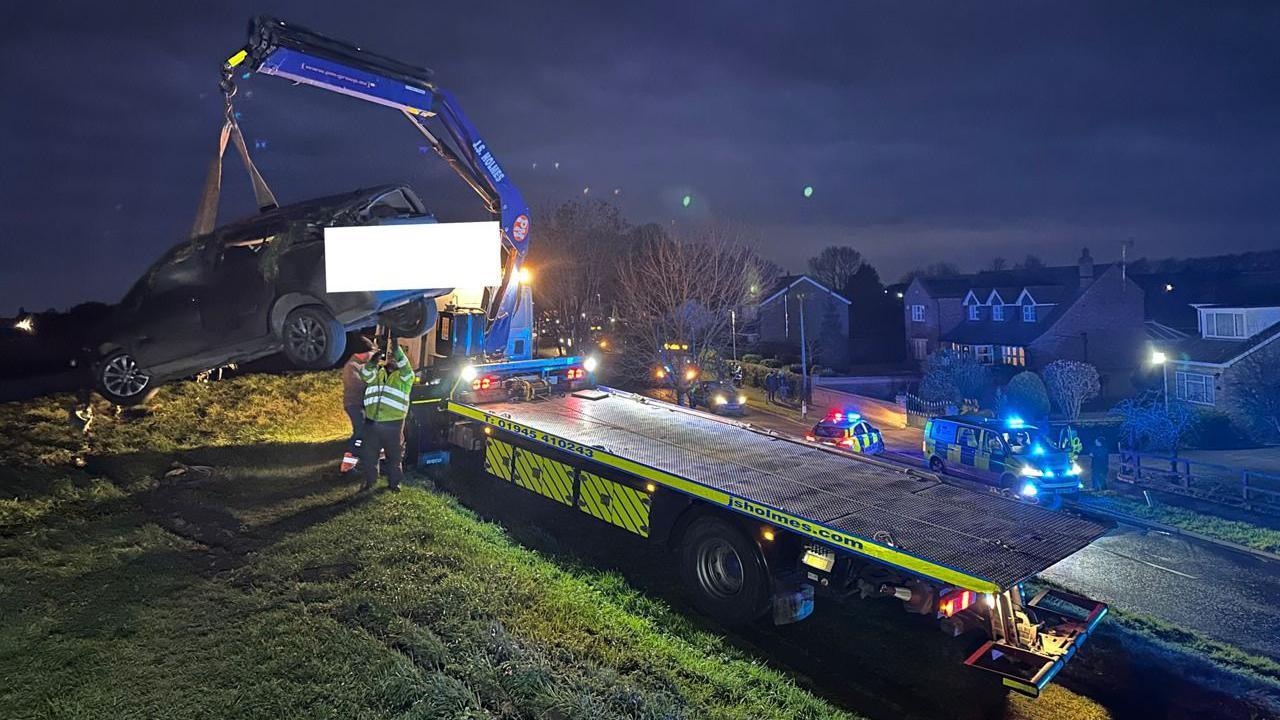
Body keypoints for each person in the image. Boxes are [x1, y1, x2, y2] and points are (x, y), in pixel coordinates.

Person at [357, 341, 415, 492]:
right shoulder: (378, 372)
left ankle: (394, 484)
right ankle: (370, 482)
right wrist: (374, 359)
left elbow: (406, 366)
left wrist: (397, 349)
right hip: (372, 421)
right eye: (390, 356)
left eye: (395, 357)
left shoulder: (405, 376)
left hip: (394, 424)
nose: (393, 359)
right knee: (370, 455)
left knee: (394, 457)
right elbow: (365, 374)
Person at [339, 336, 377, 474]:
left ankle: (368, 459)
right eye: (370, 353)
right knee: (360, 432)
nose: (371, 356)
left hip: (362, 404)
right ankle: (347, 466)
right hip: (354, 404)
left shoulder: (362, 364)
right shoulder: (351, 367)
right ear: (360, 352)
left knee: (369, 431)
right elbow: (358, 385)